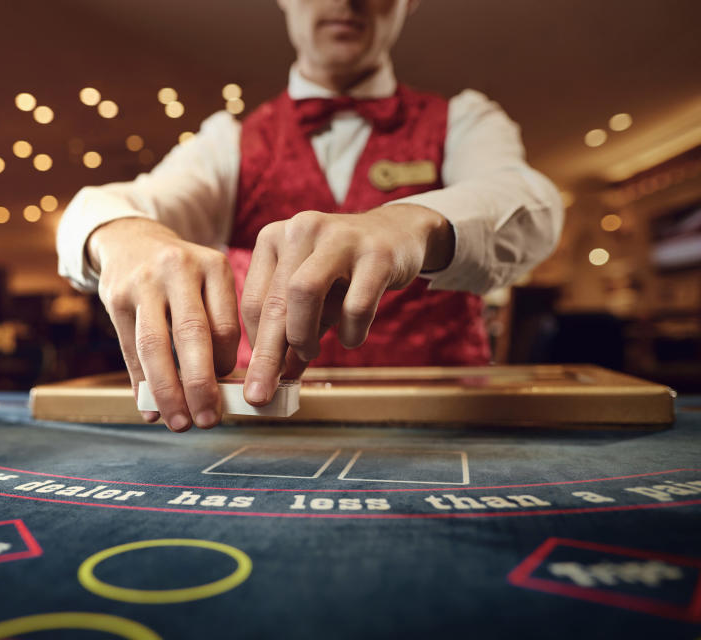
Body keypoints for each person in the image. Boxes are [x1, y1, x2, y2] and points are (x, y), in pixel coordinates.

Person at [56, 0, 563, 432]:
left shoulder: (465, 119)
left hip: (444, 428)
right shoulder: (228, 143)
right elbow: (101, 207)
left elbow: (529, 202)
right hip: (266, 429)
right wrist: (122, 236)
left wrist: (409, 223)